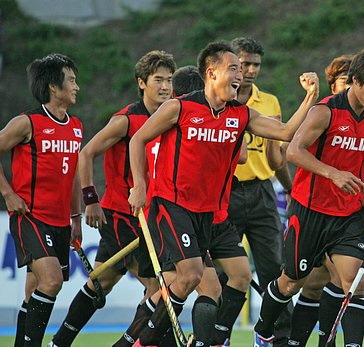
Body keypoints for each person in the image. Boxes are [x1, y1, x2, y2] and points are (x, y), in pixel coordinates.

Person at [127, 40, 318, 347]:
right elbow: (138, 140)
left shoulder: (241, 114)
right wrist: (139, 186)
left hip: (213, 214)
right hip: (174, 206)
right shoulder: (179, 107)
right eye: (233, 68)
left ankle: (213, 341)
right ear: (211, 73)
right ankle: (144, 341)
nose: (240, 74)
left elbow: (285, 132)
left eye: (240, 69)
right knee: (189, 276)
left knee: (240, 275)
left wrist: (310, 97)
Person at [253, 44, 364, 347]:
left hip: (348, 214)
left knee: (355, 282)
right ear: (356, 80)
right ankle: (264, 329)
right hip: (309, 211)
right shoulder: (325, 111)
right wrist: (332, 173)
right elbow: (293, 151)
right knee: (290, 283)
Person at [45, 50, 176, 347]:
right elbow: (86, 153)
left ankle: (80, 342)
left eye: (169, 80)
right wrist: (90, 199)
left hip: (154, 216)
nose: (166, 86)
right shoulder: (126, 120)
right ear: (142, 83)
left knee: (132, 283)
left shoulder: (172, 116)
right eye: (158, 80)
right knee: (130, 282)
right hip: (121, 213)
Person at [0, 53, 82, 347]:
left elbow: (72, 175)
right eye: (71, 80)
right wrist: (8, 194)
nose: (76, 86)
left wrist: (76, 219)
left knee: (35, 289)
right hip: (31, 218)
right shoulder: (27, 122)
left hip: (61, 223)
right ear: (53, 87)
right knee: (52, 282)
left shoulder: (76, 127)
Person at [228, 36, 293, 346]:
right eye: (244, 63)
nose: (250, 70)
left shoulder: (269, 103)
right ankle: (216, 336)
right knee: (223, 272)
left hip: (262, 192)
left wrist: (292, 190)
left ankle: (277, 336)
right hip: (224, 194)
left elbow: (275, 157)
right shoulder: (216, 102)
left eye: (255, 64)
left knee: (274, 269)